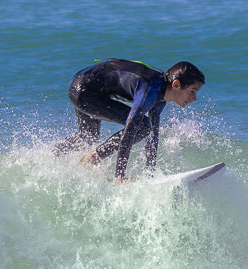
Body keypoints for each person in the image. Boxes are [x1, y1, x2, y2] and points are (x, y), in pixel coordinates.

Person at [54, 59, 205, 182]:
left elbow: (152, 137)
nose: (194, 98)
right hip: (85, 90)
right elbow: (130, 129)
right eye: (192, 92)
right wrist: (120, 176)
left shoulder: (160, 97)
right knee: (142, 126)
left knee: (87, 138)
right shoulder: (149, 90)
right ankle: (92, 159)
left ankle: (52, 155)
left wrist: (150, 174)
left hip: (83, 86)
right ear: (176, 85)